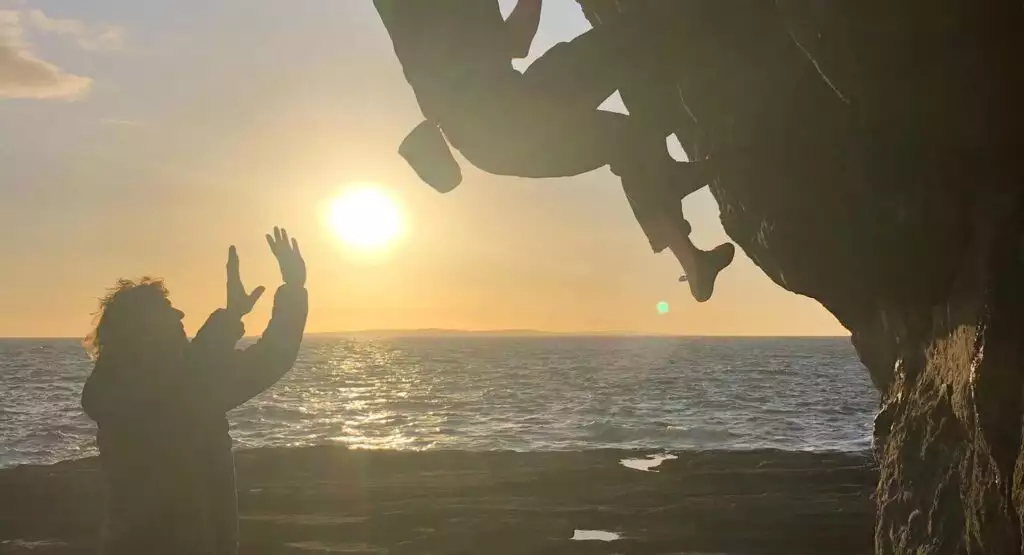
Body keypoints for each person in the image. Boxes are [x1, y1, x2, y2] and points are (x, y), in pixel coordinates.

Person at [374, 0, 735, 301]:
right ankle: (670, 185)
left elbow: (510, 45)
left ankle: (691, 258)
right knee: (631, 41)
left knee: (626, 135)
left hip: (492, 136)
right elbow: (515, 42)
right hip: (509, 118)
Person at [81, 227, 308, 555]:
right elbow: (272, 356)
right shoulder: (182, 393)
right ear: (144, 330)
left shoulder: (116, 386)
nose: (179, 313)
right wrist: (294, 288)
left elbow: (190, 371)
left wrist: (230, 317)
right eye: (165, 308)